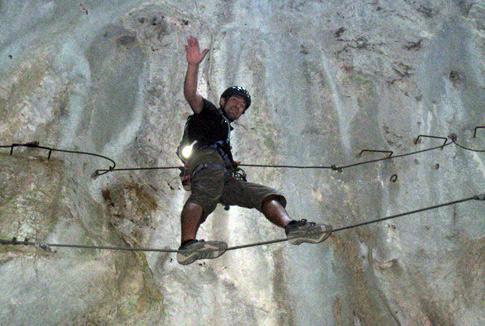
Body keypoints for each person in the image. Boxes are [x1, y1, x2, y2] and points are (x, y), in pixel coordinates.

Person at [176, 36, 332, 265]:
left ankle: (292, 227)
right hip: (206, 162)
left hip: (224, 174)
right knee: (204, 195)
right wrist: (193, 65)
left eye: (241, 107)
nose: (237, 107)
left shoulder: (224, 133)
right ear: (222, 100)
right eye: (235, 102)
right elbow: (191, 94)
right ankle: (187, 245)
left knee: (264, 194)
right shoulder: (209, 112)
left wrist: (229, 163)